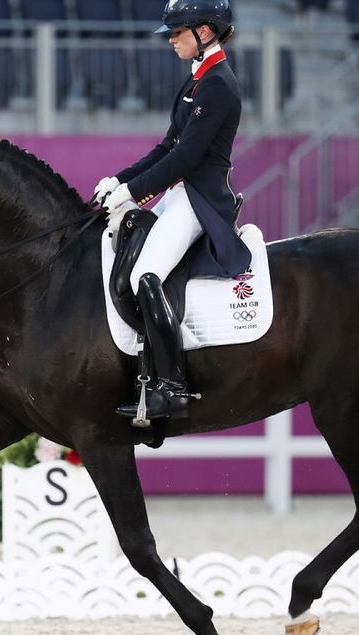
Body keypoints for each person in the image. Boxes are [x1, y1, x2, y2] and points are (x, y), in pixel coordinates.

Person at [93, 0, 251, 423]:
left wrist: (132, 192)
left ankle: (172, 388)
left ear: (205, 32)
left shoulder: (218, 84)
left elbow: (185, 160)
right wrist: (119, 179)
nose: (171, 41)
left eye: (177, 33)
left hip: (200, 197)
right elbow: (168, 147)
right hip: (181, 192)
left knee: (148, 275)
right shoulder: (197, 80)